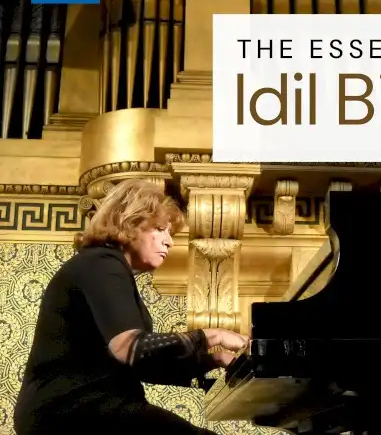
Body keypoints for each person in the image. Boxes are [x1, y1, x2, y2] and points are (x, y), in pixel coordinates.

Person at [14, 179, 249, 435]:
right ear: (129, 223)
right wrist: (213, 335)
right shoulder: (101, 264)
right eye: (160, 229)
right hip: (70, 410)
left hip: (89, 407)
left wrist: (214, 359)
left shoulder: (106, 267)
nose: (169, 242)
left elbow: (144, 365)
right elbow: (131, 348)